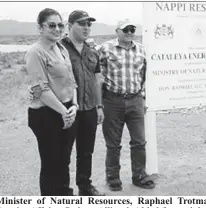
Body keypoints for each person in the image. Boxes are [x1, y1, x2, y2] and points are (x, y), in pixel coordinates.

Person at [26, 8, 78, 196]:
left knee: (64, 160)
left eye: (60, 25)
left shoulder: (61, 48)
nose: (57, 29)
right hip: (46, 114)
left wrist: (74, 106)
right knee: (51, 164)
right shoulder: (35, 52)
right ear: (40, 28)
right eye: (51, 25)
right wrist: (64, 113)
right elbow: (41, 90)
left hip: (67, 110)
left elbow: (72, 81)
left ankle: (65, 196)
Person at [98, 21, 155, 191]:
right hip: (112, 101)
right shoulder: (105, 49)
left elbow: (144, 75)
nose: (129, 32)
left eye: (132, 29)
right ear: (117, 31)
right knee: (113, 144)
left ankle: (139, 176)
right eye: (125, 29)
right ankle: (113, 178)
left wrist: (142, 98)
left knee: (139, 141)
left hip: (135, 99)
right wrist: (99, 104)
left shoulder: (141, 49)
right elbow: (98, 77)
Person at [60, 10, 105, 196]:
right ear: (70, 26)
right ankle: (63, 192)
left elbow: (97, 79)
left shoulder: (91, 51)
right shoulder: (59, 48)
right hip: (67, 108)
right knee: (63, 154)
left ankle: (85, 187)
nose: (86, 28)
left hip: (89, 109)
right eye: (82, 24)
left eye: (89, 24)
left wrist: (99, 106)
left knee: (86, 152)